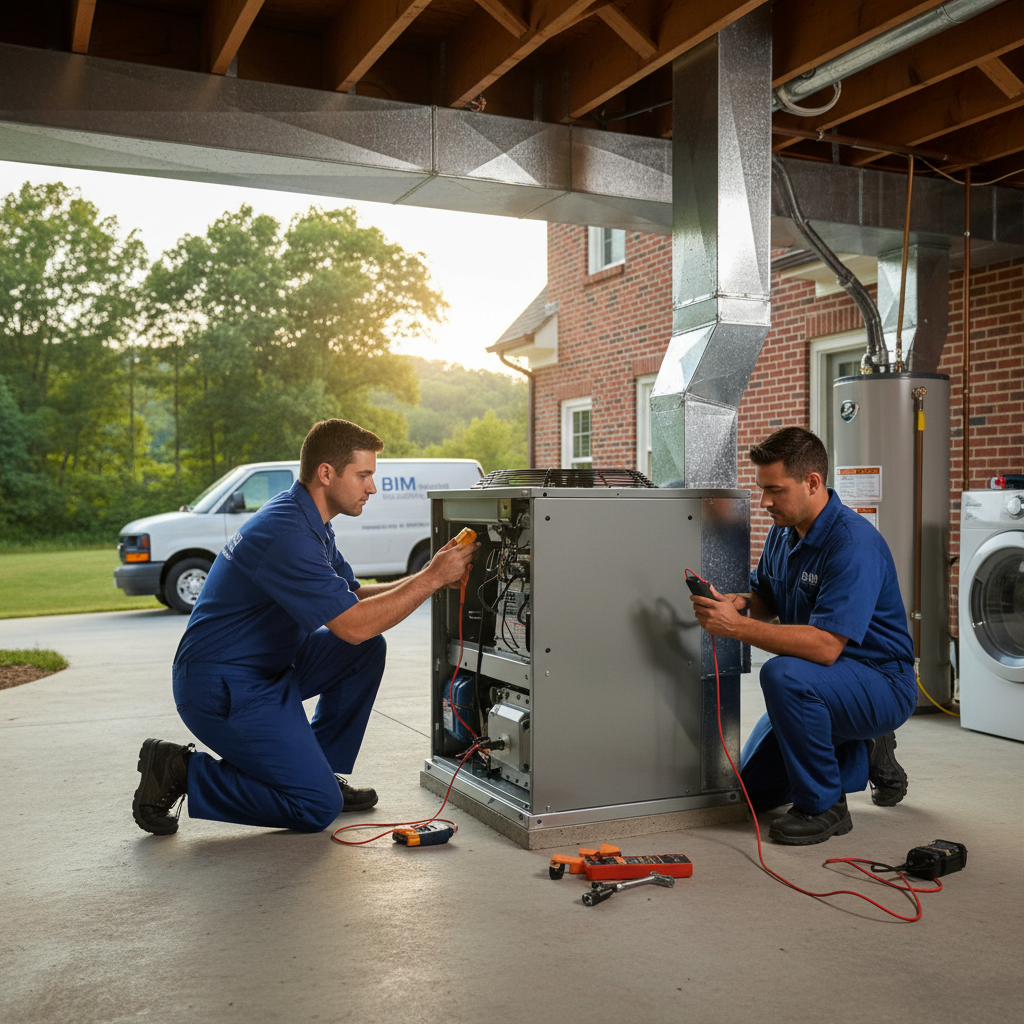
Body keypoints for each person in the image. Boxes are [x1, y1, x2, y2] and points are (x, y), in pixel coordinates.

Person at [132, 418, 479, 836]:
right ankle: (181, 770)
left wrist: (427, 571)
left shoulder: (309, 521)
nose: (372, 487)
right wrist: (431, 579)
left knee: (365, 651)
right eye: (364, 475)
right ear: (326, 473)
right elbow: (351, 625)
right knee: (316, 808)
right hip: (220, 686)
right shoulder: (287, 533)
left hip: (267, 668)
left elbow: (351, 596)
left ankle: (319, 769)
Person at [690, 427, 915, 846]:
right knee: (752, 792)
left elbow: (827, 647)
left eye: (774, 490)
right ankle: (859, 750)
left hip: (880, 678)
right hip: (826, 681)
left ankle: (825, 806)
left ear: (812, 483)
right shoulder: (783, 530)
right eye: (761, 490)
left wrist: (737, 628)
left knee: (782, 675)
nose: (764, 502)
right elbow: (767, 599)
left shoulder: (852, 543)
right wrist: (731, 604)